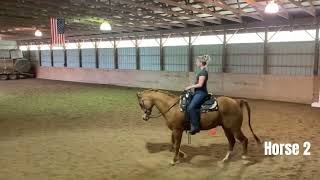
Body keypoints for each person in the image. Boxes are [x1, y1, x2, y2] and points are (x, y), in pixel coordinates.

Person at [185, 55, 210, 135]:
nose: (196, 63)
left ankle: (195, 126)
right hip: (197, 92)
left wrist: (190, 86)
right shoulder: (202, 71)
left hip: (201, 93)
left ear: (201, 63)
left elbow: (200, 84)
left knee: (191, 107)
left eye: (197, 62)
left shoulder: (203, 72)